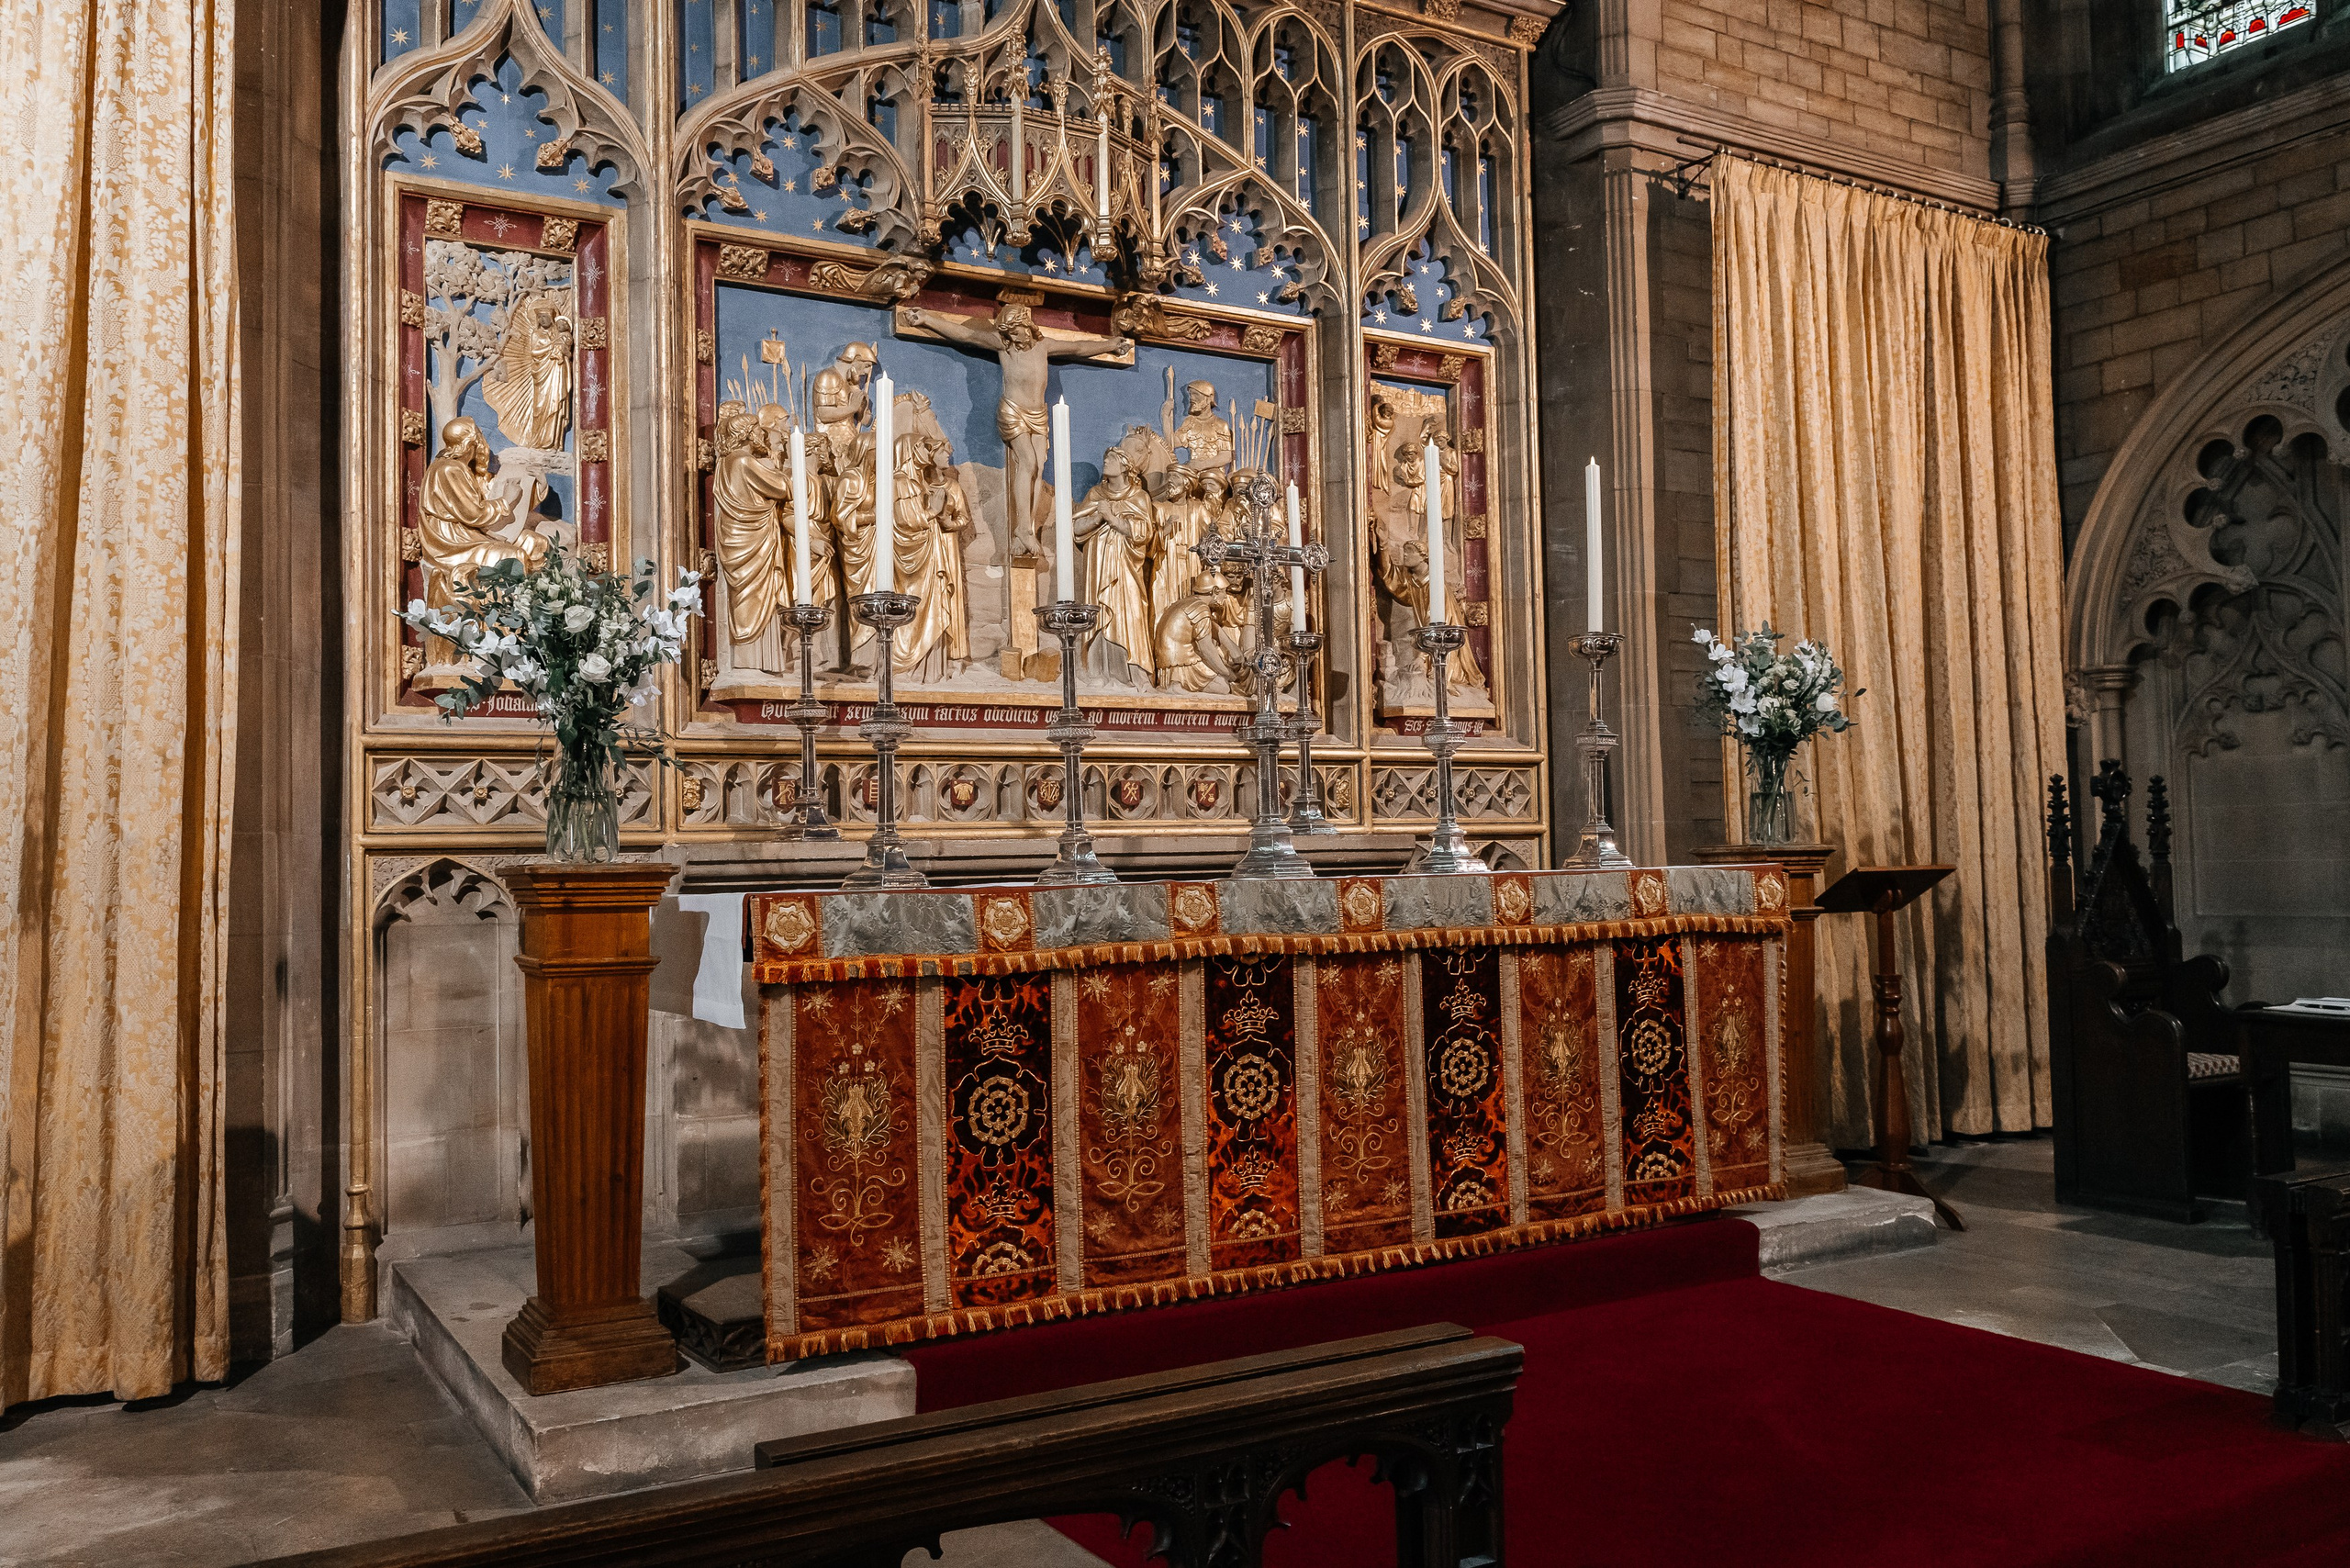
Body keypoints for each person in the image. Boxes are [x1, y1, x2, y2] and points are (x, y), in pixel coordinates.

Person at [900, 297, 1131, 562]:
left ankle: (1027, 528)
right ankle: (1022, 527)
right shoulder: (1005, 347)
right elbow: (966, 334)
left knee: (1039, 470)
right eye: (1009, 334)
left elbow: (1078, 347)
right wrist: (927, 319)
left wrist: (1111, 345)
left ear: (1027, 326)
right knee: (1028, 462)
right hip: (1013, 411)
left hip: (1039, 414)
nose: (1015, 338)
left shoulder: (1044, 346)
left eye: (1017, 332)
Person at [1071, 447, 1158, 686]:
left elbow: (1144, 533)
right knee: (1099, 613)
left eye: (1110, 458)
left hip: (1125, 568)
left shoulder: (1139, 497)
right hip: (1098, 565)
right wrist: (1098, 518)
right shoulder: (1095, 494)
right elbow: (1077, 529)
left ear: (1124, 466)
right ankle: (1097, 670)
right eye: (1105, 457)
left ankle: (1132, 671)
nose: (1105, 461)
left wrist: (1112, 518)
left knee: (1127, 612)